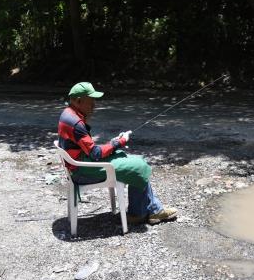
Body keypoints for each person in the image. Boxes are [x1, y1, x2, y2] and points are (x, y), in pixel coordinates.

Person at [58, 82, 178, 225]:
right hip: (82, 172)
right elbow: (95, 153)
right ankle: (139, 214)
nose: (94, 105)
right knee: (138, 166)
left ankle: (152, 210)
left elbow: (87, 147)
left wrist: (113, 143)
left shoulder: (68, 114)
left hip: (78, 165)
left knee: (137, 160)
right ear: (78, 101)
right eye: (91, 101)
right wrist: (119, 142)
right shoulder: (76, 123)